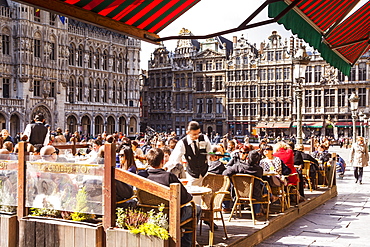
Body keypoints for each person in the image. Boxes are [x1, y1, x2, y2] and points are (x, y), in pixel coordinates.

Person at [145, 148, 201, 247]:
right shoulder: (169, 177)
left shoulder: (141, 175)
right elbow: (186, 198)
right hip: (169, 216)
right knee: (196, 208)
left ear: (147, 161)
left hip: (148, 214)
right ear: (163, 161)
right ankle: (187, 244)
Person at [167, 121, 212, 186]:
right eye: (194, 134)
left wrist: (210, 164)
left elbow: (209, 153)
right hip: (192, 175)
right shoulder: (182, 143)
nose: (197, 136)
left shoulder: (204, 138)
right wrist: (166, 168)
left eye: (198, 133)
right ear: (187, 132)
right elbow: (174, 158)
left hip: (205, 172)